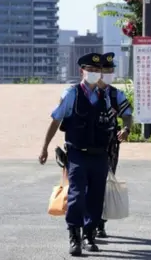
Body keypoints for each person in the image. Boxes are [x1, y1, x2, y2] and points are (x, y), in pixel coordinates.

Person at [38, 52, 112, 256]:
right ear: (82, 71)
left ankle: (89, 235)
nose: (95, 73)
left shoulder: (103, 96)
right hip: (78, 154)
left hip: (99, 155)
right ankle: (74, 236)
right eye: (91, 70)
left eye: (97, 70)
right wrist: (44, 147)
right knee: (77, 196)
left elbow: (109, 126)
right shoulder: (72, 94)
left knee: (96, 197)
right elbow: (55, 120)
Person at [94, 52, 133, 238]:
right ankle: (89, 223)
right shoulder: (87, 93)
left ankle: (100, 223)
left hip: (110, 146)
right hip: (89, 144)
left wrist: (126, 129)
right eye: (105, 70)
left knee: (105, 183)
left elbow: (127, 115)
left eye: (111, 70)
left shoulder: (116, 94)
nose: (109, 73)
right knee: (89, 184)